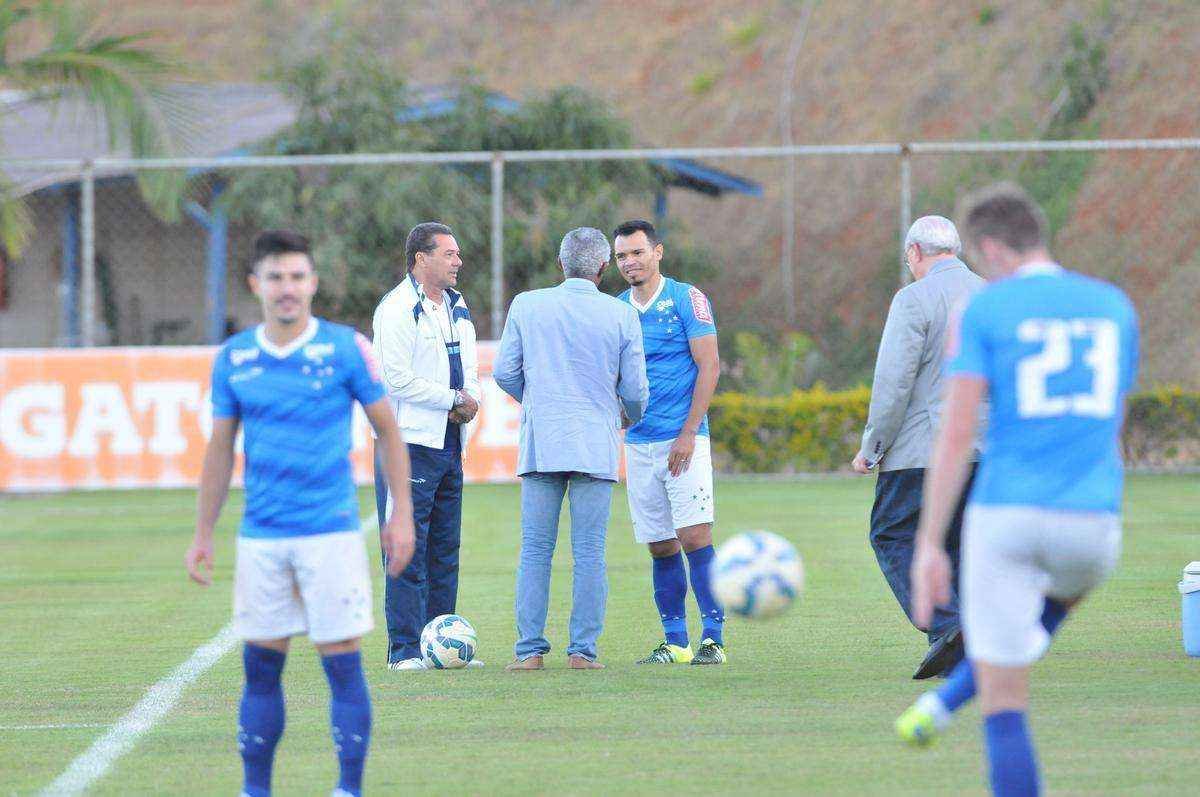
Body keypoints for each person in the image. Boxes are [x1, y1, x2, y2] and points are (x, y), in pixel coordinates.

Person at [898, 184, 1139, 797]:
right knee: (1048, 609)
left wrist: (929, 544)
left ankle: (956, 700)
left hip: (1008, 514)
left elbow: (955, 434)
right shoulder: (1113, 307)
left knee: (1006, 705)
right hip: (1094, 521)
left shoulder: (985, 310)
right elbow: (1112, 424)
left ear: (990, 248)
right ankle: (944, 702)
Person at [185, 230, 416, 797]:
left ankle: (347, 789)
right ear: (255, 285)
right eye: (275, 277)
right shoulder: (234, 357)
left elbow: (389, 431)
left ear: (312, 283)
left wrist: (401, 514)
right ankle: (255, 790)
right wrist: (202, 533)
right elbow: (219, 450)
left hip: (330, 535)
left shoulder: (344, 347)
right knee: (260, 670)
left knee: (342, 666)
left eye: (296, 277)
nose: (286, 288)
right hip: (261, 538)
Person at [493, 226, 648, 671]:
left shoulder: (528, 304)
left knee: (536, 549)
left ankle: (529, 651)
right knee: (590, 553)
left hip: (543, 441)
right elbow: (636, 390)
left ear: (560, 265)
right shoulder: (621, 315)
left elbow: (505, 372)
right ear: (603, 268)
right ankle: (583, 650)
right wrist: (622, 415)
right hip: (596, 443)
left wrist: (538, 401)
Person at [853, 215, 984, 679]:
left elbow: (893, 381)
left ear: (914, 253)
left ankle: (948, 623)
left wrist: (872, 446)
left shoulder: (914, 299)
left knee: (892, 534)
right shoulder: (992, 295)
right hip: (982, 447)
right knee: (957, 541)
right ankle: (964, 643)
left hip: (922, 450)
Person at [612, 219, 725, 665]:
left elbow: (710, 365)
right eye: (621, 256)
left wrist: (688, 433)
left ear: (658, 252)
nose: (629, 262)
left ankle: (712, 638)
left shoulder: (686, 298)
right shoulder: (618, 309)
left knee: (695, 535)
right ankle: (675, 642)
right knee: (660, 543)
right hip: (639, 443)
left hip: (684, 439)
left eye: (637, 252)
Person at [371, 222, 482, 671]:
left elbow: (470, 367)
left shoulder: (457, 305)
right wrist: (453, 400)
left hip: (450, 442)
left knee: (444, 548)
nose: (458, 262)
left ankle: (441, 644)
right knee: (406, 547)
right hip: (408, 446)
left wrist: (469, 399)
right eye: (450, 254)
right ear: (421, 258)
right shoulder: (397, 308)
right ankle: (404, 650)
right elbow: (395, 379)